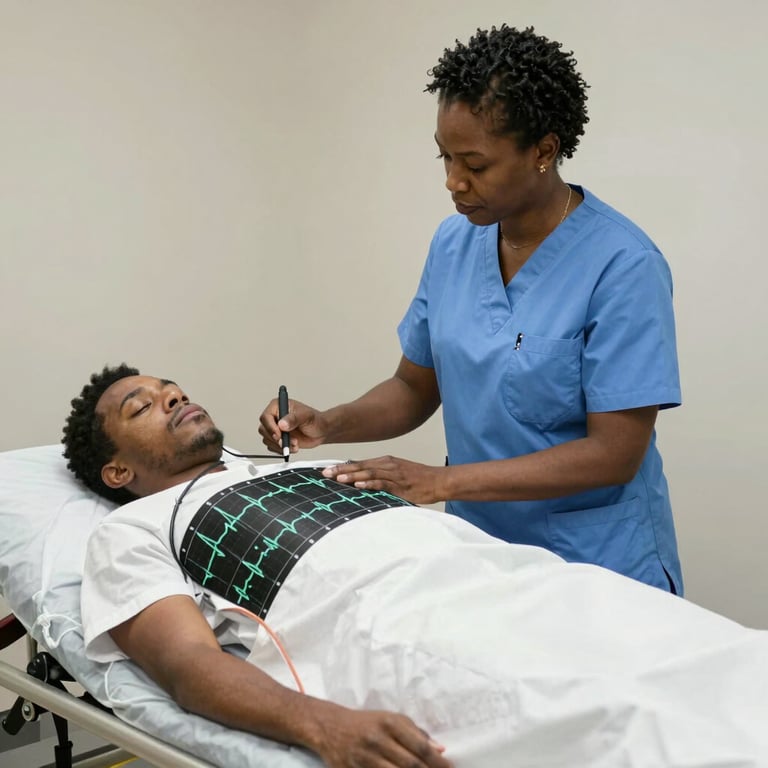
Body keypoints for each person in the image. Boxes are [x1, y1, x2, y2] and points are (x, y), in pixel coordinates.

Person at [64, 365, 767, 768]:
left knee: (716, 659)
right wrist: (321, 725)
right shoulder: (131, 531)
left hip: (519, 579)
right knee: (626, 718)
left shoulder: (298, 466)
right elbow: (188, 668)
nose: (173, 397)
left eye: (171, 387)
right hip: (402, 630)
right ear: (117, 467)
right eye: (143, 406)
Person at [259, 25, 683, 594]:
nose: (453, 182)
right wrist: (330, 425)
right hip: (478, 550)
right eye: (445, 157)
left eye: (475, 165)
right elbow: (414, 388)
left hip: (593, 560)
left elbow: (613, 454)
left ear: (543, 151)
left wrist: (438, 481)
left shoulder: (624, 265)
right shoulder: (454, 243)